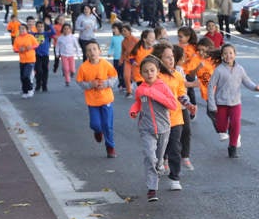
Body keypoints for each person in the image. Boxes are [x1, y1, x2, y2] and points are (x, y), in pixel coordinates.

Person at [129, 55, 180, 202]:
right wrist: (134, 110)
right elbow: (138, 103)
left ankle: (159, 165)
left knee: (158, 159)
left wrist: (154, 94)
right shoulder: (140, 89)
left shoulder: (163, 86)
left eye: (152, 70)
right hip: (146, 128)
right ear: (141, 73)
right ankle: (152, 189)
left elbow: (173, 105)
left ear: (157, 71)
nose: (149, 73)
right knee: (149, 157)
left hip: (164, 128)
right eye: (145, 71)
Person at [152, 42, 196, 191]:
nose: (171, 60)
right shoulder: (155, 76)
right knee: (160, 148)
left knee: (175, 147)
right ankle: (158, 166)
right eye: (167, 57)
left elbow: (181, 94)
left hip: (176, 118)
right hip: (158, 118)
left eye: (172, 57)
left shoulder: (177, 75)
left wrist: (188, 104)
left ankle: (175, 177)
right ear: (159, 59)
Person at [207, 43, 259, 158]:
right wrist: (212, 104)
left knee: (236, 123)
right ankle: (232, 132)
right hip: (221, 103)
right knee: (221, 127)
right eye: (225, 53)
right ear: (222, 55)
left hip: (235, 103)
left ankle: (232, 147)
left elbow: (246, 81)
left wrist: (254, 87)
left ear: (235, 54)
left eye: (231, 53)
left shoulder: (240, 69)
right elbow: (210, 86)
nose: (228, 56)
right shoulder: (219, 70)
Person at [76, 41, 119, 158]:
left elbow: (114, 77)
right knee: (95, 124)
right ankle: (97, 131)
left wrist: (106, 84)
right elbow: (79, 82)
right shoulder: (83, 67)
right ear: (86, 54)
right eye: (89, 50)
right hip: (92, 101)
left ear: (99, 51)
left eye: (95, 49)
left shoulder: (106, 64)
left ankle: (110, 147)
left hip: (106, 100)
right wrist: (90, 84)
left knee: (107, 125)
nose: (92, 52)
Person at [12, 23, 40, 98]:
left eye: (23, 28)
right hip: (22, 60)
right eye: (20, 28)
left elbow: (36, 44)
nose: (22, 30)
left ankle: (30, 89)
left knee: (26, 76)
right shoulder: (17, 38)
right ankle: (25, 91)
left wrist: (30, 47)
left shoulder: (30, 37)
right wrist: (19, 50)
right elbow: (14, 49)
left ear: (27, 30)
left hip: (30, 59)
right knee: (22, 77)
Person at [33, 20, 55, 92]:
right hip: (37, 55)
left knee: (45, 70)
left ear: (44, 27)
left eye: (41, 26)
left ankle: (44, 85)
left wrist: (50, 25)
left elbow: (53, 32)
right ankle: (38, 83)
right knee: (38, 70)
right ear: (36, 27)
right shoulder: (34, 34)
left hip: (45, 55)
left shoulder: (46, 34)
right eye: (38, 27)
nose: (40, 28)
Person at [56, 23, 80, 87]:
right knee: (66, 69)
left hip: (71, 55)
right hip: (63, 55)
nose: (66, 30)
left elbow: (77, 46)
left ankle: (72, 72)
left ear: (70, 30)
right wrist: (57, 53)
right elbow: (57, 46)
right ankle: (67, 80)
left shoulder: (73, 37)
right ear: (62, 30)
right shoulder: (60, 38)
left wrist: (78, 54)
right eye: (65, 29)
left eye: (68, 29)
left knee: (72, 68)